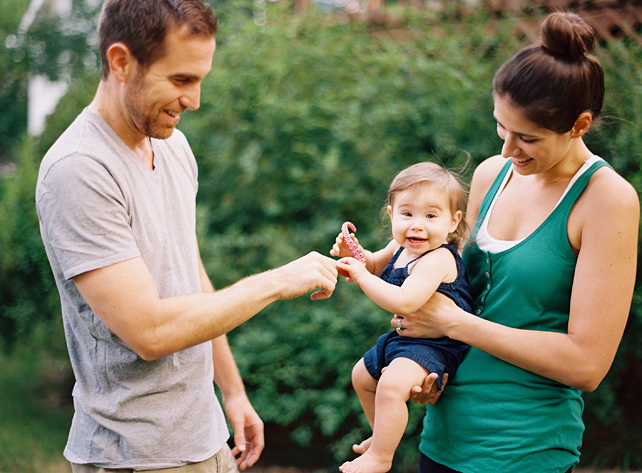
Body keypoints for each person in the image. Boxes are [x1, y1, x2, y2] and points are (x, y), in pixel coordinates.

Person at [35, 1, 338, 472]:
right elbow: (150, 331)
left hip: (206, 437)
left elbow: (189, 271)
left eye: (200, 80)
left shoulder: (172, 145)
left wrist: (232, 391)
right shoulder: (79, 170)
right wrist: (276, 281)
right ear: (121, 62)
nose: (194, 100)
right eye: (180, 81)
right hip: (135, 456)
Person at [399, 11, 639, 473]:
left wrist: (452, 324)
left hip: (524, 451)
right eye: (500, 128)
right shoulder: (493, 175)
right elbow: (458, 294)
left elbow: (587, 365)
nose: (507, 150)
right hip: (442, 438)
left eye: (527, 137)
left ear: (579, 125)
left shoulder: (607, 200)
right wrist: (426, 361)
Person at [330, 162, 473, 473]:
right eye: (407, 214)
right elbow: (374, 265)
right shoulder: (400, 246)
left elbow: (405, 302)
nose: (416, 225)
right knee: (362, 377)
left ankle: (381, 457)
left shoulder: (438, 258)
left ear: (453, 221)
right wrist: (354, 252)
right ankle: (381, 436)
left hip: (438, 346)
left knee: (392, 384)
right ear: (392, 214)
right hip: (405, 340)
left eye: (431, 216)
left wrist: (362, 278)